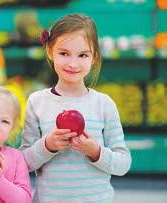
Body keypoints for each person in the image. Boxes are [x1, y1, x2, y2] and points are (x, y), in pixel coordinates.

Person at [20, 14, 132, 203]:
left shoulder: (103, 104)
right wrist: (47, 145)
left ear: (94, 57)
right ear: (49, 51)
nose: (73, 63)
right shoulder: (37, 102)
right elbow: (23, 163)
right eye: (64, 53)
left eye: (83, 55)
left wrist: (95, 151)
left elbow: (123, 164)